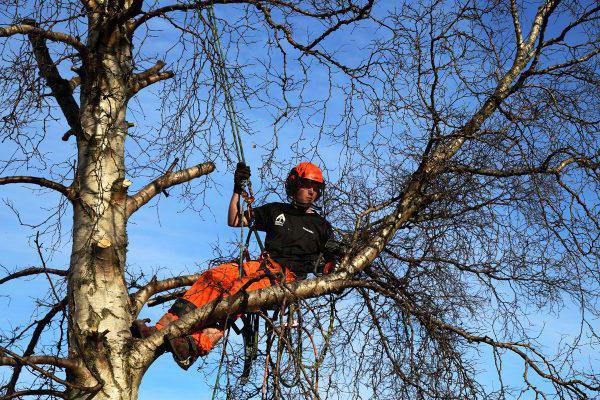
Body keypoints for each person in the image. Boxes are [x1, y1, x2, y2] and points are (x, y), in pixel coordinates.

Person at [132, 161, 340, 370]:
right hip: (259, 266)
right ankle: (161, 329)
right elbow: (234, 220)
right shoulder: (276, 210)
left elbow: (330, 267)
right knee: (213, 277)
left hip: (284, 280)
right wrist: (238, 190)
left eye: (316, 188)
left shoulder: (322, 226)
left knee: (234, 296)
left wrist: (336, 259)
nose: (312, 192)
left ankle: (194, 345)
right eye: (307, 185)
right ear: (295, 185)